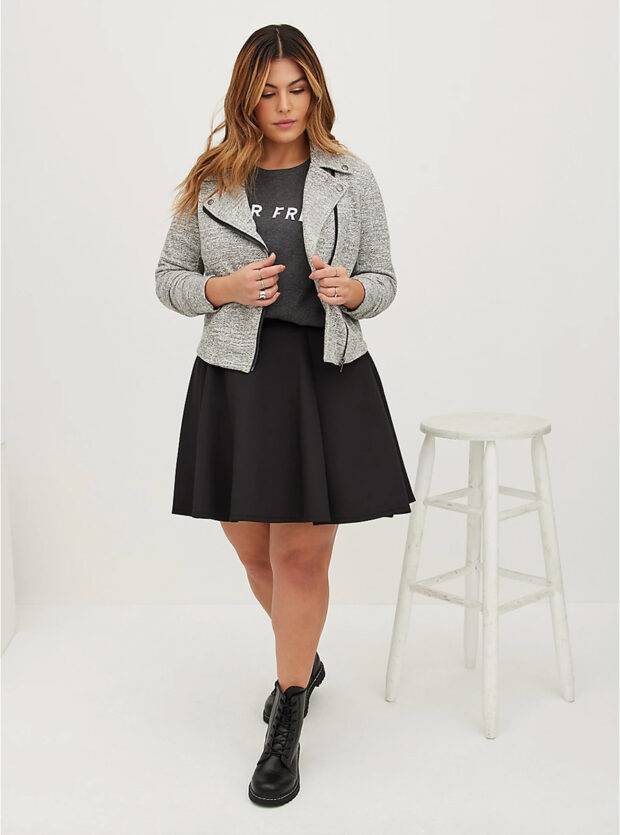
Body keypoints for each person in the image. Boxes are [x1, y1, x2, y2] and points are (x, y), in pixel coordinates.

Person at [154, 23, 415, 807]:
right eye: (268, 91)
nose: (285, 104)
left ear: (316, 91)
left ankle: (288, 708)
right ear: (246, 98)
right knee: (251, 548)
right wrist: (222, 289)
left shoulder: (350, 175)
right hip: (236, 379)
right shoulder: (212, 181)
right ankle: (304, 650)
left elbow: (384, 277)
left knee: (301, 559)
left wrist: (354, 291)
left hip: (323, 376)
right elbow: (169, 277)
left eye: (297, 88)